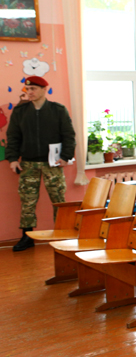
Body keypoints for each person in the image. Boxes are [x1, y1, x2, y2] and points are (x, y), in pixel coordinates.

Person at [7, 76, 76, 252]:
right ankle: (27, 236)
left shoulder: (58, 110)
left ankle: (62, 234)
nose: (29, 92)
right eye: (27, 90)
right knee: (27, 201)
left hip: (52, 164)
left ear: (44, 89)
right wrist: (13, 159)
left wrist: (66, 156)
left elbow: (68, 135)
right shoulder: (20, 111)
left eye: (33, 89)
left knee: (58, 200)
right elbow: (13, 137)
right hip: (28, 164)